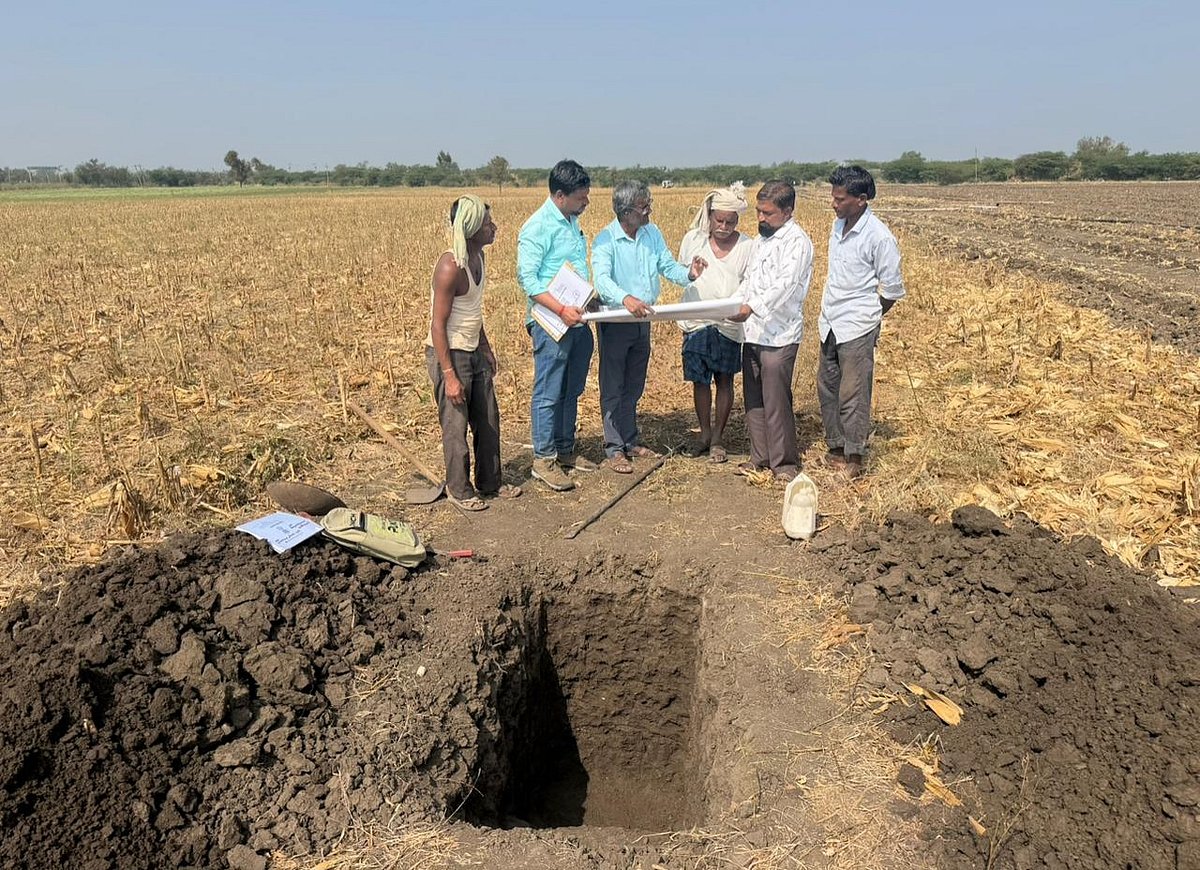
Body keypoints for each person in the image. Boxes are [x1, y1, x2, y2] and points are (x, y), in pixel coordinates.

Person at [592, 180, 706, 473]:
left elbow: (667, 266)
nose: (649, 211)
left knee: (634, 384)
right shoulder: (606, 240)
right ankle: (614, 447)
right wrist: (625, 298)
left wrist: (689, 274)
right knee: (613, 385)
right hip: (617, 321)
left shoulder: (651, 233)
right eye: (644, 206)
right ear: (626, 212)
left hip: (644, 320)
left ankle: (631, 440)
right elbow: (602, 280)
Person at [425, 194, 520, 510]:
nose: (494, 228)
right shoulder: (451, 266)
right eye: (487, 223)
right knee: (456, 425)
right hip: (450, 354)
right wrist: (449, 375)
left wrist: (486, 347)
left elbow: (471, 312)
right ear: (470, 228)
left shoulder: (478, 259)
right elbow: (438, 326)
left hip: (472, 350)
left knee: (488, 419)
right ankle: (459, 491)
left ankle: (490, 484)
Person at [817, 165, 905, 479]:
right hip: (830, 321)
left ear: (862, 199)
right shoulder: (836, 225)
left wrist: (868, 315)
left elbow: (892, 289)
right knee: (827, 387)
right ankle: (836, 447)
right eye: (833, 197)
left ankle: (854, 458)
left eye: (840, 198)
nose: (834, 203)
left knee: (853, 395)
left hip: (857, 325)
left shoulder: (879, 237)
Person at [517, 159, 598, 491]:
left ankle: (565, 449)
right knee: (549, 391)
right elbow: (529, 280)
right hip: (551, 322)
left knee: (571, 389)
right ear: (561, 195)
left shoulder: (571, 222)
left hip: (578, 320)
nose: (587, 202)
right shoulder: (537, 227)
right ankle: (544, 458)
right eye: (582, 197)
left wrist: (588, 297)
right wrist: (562, 308)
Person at [728, 180, 814, 483]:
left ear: (787, 211)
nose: (761, 218)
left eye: (767, 213)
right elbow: (750, 280)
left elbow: (785, 286)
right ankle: (760, 459)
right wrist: (734, 303)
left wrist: (750, 307)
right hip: (753, 332)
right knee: (754, 399)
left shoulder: (797, 242)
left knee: (776, 399)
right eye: (758, 212)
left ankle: (785, 465)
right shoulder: (762, 240)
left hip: (779, 334)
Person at [677, 183, 754, 464]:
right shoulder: (692, 241)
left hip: (729, 324)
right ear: (709, 216)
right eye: (718, 220)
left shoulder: (747, 246)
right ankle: (704, 434)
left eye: (730, 222)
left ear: (738, 220)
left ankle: (719, 437)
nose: (723, 226)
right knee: (699, 380)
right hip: (696, 322)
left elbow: (750, 283)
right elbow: (681, 274)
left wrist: (736, 307)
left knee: (724, 379)